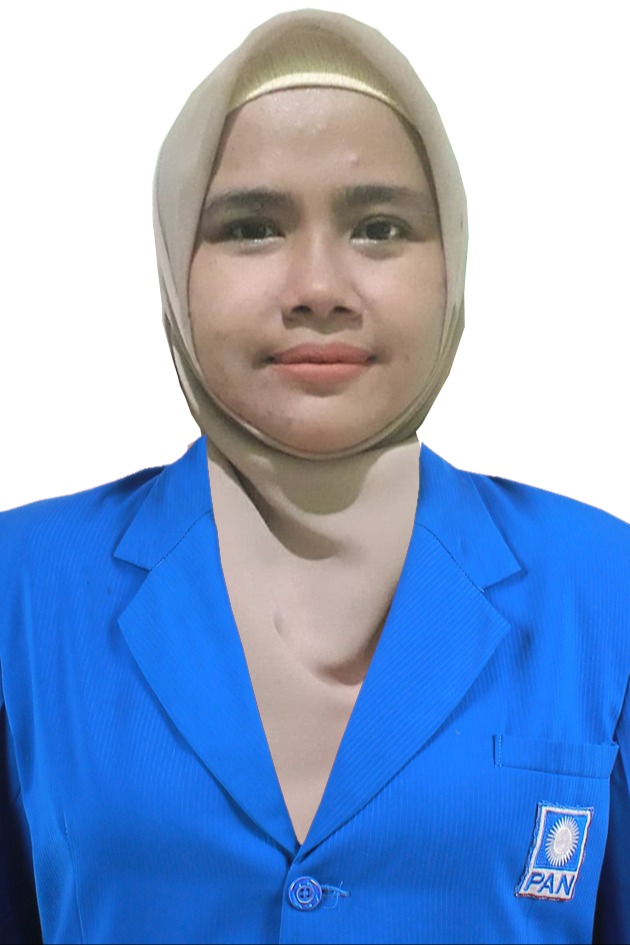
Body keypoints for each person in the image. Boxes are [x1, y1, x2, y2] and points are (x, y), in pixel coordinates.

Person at [0, 8, 628, 945]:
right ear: (176, 265)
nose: (319, 289)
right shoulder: (22, 583)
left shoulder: (605, 585)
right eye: (252, 227)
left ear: (452, 263)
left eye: (380, 227)